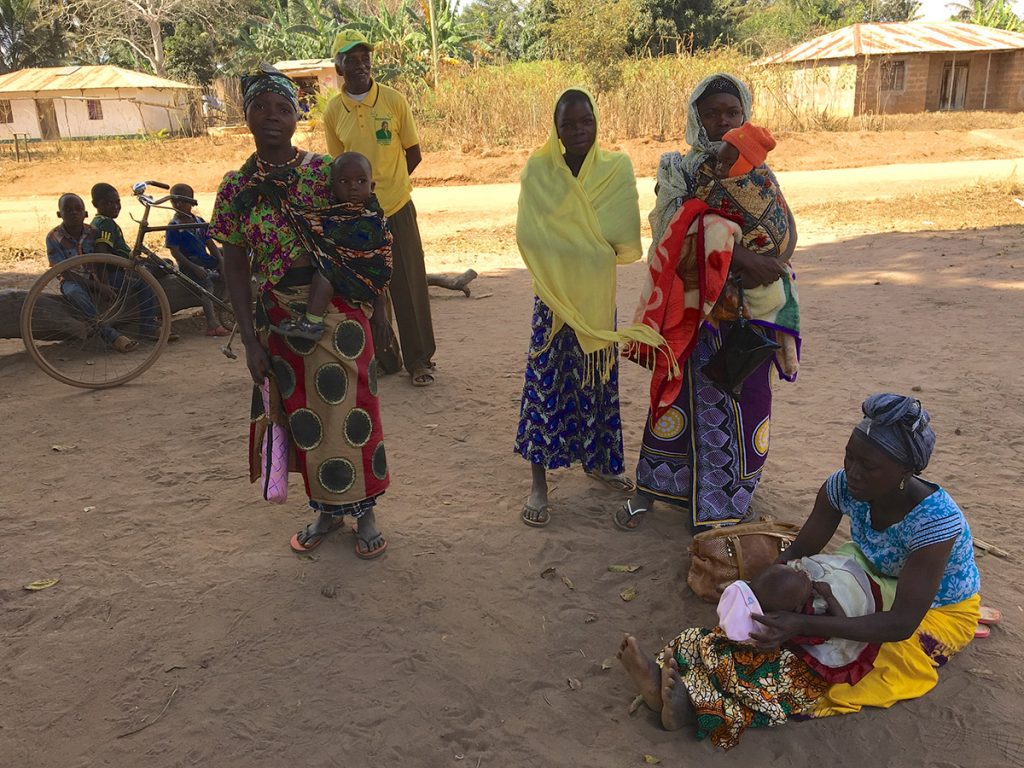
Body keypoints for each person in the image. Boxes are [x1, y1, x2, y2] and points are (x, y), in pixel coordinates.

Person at [617, 394, 982, 750]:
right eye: (849, 457)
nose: (852, 472)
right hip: (867, 573)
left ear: (905, 472)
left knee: (854, 658)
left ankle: (696, 707)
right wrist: (753, 601)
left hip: (935, 610)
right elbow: (799, 550)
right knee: (785, 613)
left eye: (868, 466)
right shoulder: (843, 486)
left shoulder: (936, 522)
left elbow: (901, 623)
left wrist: (803, 624)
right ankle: (686, 667)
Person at [209, 66, 390, 559]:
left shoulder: (322, 171)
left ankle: (366, 510)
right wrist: (249, 339)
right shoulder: (234, 188)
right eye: (261, 106)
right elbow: (235, 263)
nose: (272, 117)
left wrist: (379, 310)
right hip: (279, 320)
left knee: (355, 410)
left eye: (283, 108)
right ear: (245, 114)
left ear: (296, 117)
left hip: (339, 309)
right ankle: (328, 511)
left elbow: (361, 234)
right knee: (304, 418)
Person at [614, 73, 796, 534]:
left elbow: (782, 228)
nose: (721, 121)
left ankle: (727, 501)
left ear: (745, 115)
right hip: (695, 309)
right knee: (678, 394)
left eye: (731, 113)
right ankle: (654, 491)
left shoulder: (759, 170)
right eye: (711, 113)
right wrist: (741, 256)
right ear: (696, 117)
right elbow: (669, 231)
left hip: (751, 311)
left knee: (746, 395)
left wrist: (768, 260)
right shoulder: (678, 169)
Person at [514, 88, 670, 528]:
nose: (580, 130)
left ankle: (599, 463)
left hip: (597, 301)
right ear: (556, 129)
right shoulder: (539, 171)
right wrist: (582, 243)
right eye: (569, 124)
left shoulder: (615, 169)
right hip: (553, 302)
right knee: (544, 385)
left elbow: (620, 235)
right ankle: (539, 484)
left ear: (597, 122)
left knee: (597, 381)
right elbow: (530, 235)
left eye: (587, 121)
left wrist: (575, 242)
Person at [323, 29, 436, 387]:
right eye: (350, 59)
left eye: (364, 57)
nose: (359, 65)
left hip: (397, 207)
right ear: (338, 67)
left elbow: (413, 153)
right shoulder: (332, 112)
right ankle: (387, 358)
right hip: (357, 214)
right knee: (367, 286)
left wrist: (390, 185)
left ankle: (420, 360)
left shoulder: (392, 100)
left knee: (408, 283)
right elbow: (338, 166)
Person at [272, 152, 393, 341]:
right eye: (344, 181)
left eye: (361, 181)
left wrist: (381, 307)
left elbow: (380, 262)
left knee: (325, 274)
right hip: (353, 282)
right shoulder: (333, 213)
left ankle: (312, 322)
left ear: (372, 186)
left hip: (365, 286)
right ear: (332, 187)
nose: (353, 187)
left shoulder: (373, 219)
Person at [45, 192, 136, 353]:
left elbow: (101, 263)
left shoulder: (93, 232)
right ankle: (111, 336)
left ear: (85, 214)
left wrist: (104, 284)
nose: (74, 212)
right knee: (75, 293)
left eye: (78, 209)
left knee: (133, 282)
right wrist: (99, 287)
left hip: (97, 277)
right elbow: (64, 271)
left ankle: (148, 324)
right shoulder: (53, 237)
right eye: (68, 209)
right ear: (60, 214)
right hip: (72, 280)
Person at [90, 182, 169, 341]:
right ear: (95, 205)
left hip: (121, 268)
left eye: (117, 202)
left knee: (163, 264)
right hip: (116, 273)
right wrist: (105, 282)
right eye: (108, 203)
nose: (115, 206)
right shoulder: (106, 223)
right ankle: (148, 326)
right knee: (147, 280)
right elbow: (102, 253)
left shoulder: (99, 221)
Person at [165, 182, 230, 337]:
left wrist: (220, 261)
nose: (178, 205)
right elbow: (175, 253)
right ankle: (212, 323)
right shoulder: (173, 226)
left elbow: (210, 243)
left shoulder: (199, 221)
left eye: (183, 201)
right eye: (175, 202)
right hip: (190, 264)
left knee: (228, 262)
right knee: (206, 286)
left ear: (192, 202)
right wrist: (194, 268)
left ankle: (225, 303)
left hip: (204, 259)